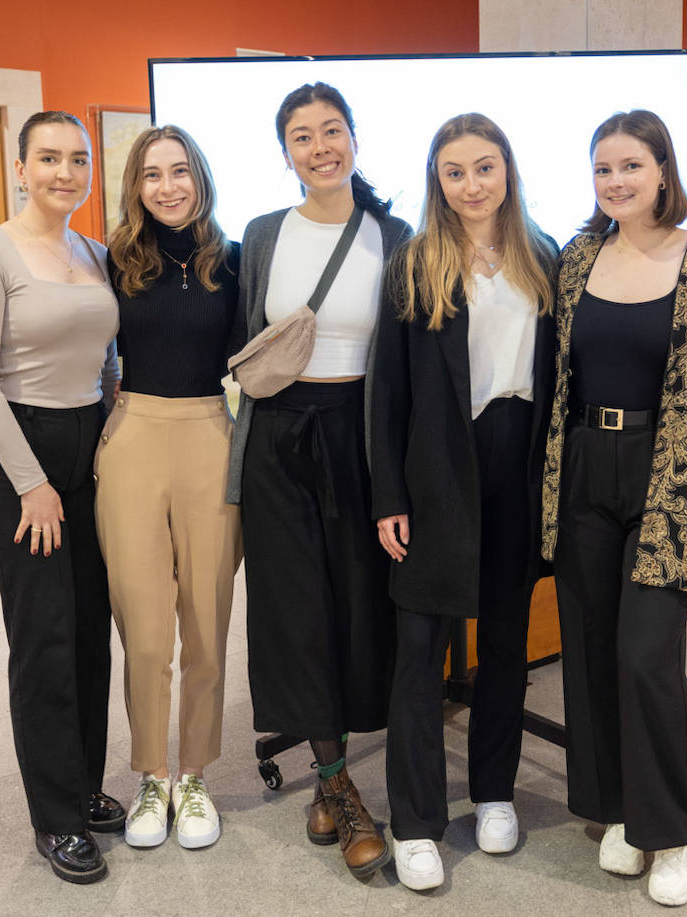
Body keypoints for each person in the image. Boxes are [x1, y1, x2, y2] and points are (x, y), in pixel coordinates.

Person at [540, 110, 687, 907]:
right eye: (602, 169)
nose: (616, 181)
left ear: (664, 168)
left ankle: (676, 827)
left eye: (631, 164)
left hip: (676, 476)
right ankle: (622, 811)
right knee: (590, 649)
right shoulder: (577, 257)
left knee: (647, 655)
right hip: (589, 463)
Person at [225, 81, 412, 878]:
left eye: (331, 130)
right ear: (286, 154)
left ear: (355, 139)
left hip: (360, 438)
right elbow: (244, 345)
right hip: (278, 441)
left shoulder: (394, 234)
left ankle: (326, 784)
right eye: (302, 137)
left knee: (358, 610)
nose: (320, 147)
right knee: (296, 610)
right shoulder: (262, 234)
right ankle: (340, 788)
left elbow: (404, 356)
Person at [369, 113, 557, 891]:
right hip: (438, 467)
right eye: (455, 171)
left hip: (518, 463)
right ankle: (414, 820)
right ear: (436, 181)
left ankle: (492, 792)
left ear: (507, 170)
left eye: (485, 167)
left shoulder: (543, 259)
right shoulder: (416, 263)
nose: (472, 184)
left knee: (507, 648)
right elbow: (389, 393)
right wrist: (389, 494)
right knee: (419, 652)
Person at [0, 110, 124, 884]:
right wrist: (34, 484)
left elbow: (109, 358)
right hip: (18, 454)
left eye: (78, 159)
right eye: (48, 158)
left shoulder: (94, 250)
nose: (66, 172)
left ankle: (84, 784)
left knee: (91, 628)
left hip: (91, 447)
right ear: (20, 169)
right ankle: (55, 818)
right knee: (46, 635)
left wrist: (115, 425)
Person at [96, 125, 243, 851]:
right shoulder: (113, 260)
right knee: (147, 632)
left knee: (207, 627)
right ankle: (150, 774)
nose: (167, 186)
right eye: (152, 174)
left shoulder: (235, 262)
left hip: (212, 437)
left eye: (180, 171)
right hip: (132, 439)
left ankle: (194, 775)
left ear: (200, 177)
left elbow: (257, 357)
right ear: (136, 186)